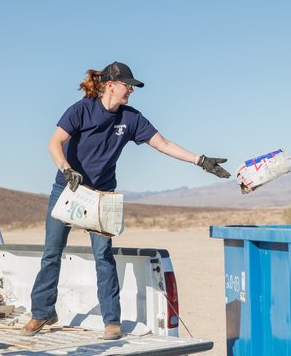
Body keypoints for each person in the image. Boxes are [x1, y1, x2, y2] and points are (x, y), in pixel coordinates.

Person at [21, 61, 230, 339]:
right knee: (52, 252)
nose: (130, 91)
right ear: (110, 85)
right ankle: (42, 312)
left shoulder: (131, 119)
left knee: (103, 255)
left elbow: (163, 144)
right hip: (69, 189)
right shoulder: (81, 110)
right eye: (127, 86)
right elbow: (54, 142)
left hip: (102, 196)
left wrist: (200, 160)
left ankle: (112, 322)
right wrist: (66, 169)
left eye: (132, 87)